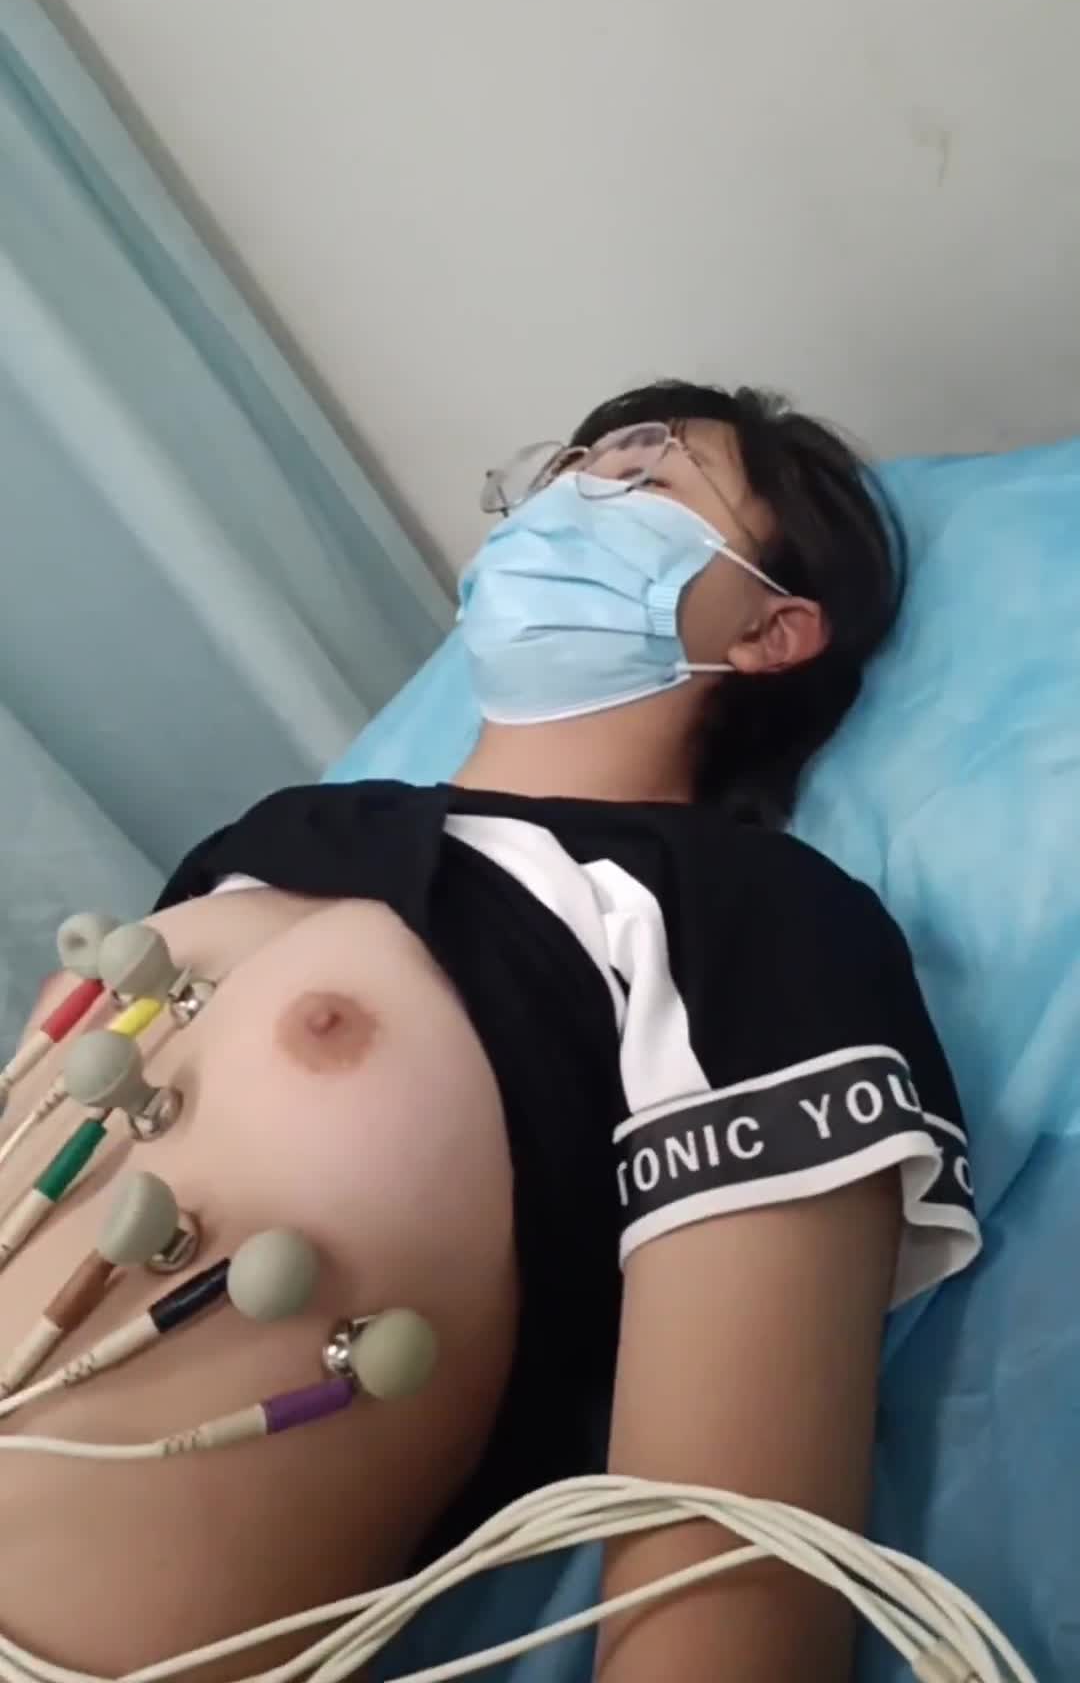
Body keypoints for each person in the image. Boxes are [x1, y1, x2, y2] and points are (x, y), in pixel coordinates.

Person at [2, 382, 979, 1683]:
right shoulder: (270, 837)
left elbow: (721, 1583)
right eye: (562, 469)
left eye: (643, 475)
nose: (572, 492)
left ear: (771, 628)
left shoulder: (744, 916)